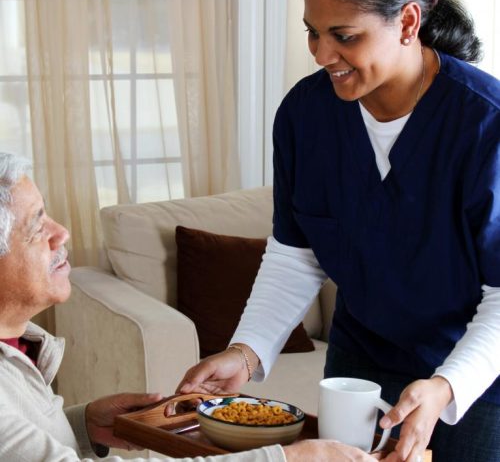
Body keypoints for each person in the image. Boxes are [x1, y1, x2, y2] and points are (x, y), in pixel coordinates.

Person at [177, 0, 500, 462]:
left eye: (343, 36)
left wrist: (443, 387)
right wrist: (248, 351)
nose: (323, 55)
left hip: (474, 375)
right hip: (361, 361)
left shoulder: (486, 126)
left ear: (409, 22)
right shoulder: (305, 116)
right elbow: (296, 254)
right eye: (312, 33)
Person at [0, 151, 387, 462]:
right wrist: (288, 458)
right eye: (37, 227)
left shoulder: (19, 349)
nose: (61, 233)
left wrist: (84, 426)